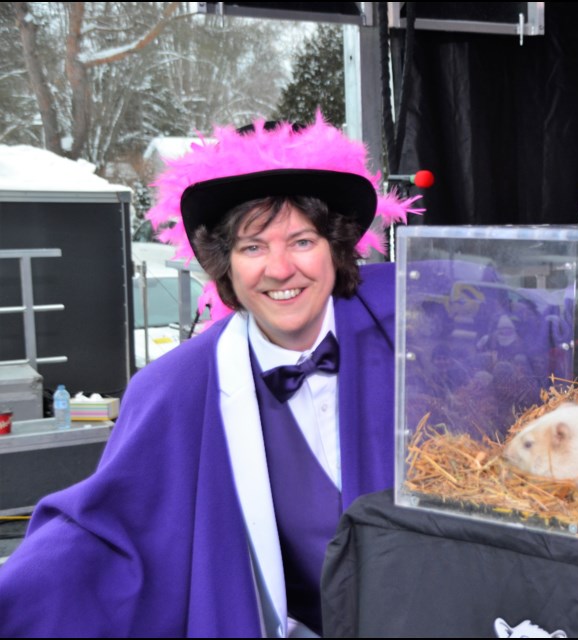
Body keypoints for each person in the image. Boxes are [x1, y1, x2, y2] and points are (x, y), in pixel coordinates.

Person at [0, 116, 422, 637]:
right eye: (252, 247)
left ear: (335, 248)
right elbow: (105, 534)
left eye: (302, 241)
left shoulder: (407, 321)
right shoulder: (177, 387)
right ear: (225, 265)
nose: (280, 268)